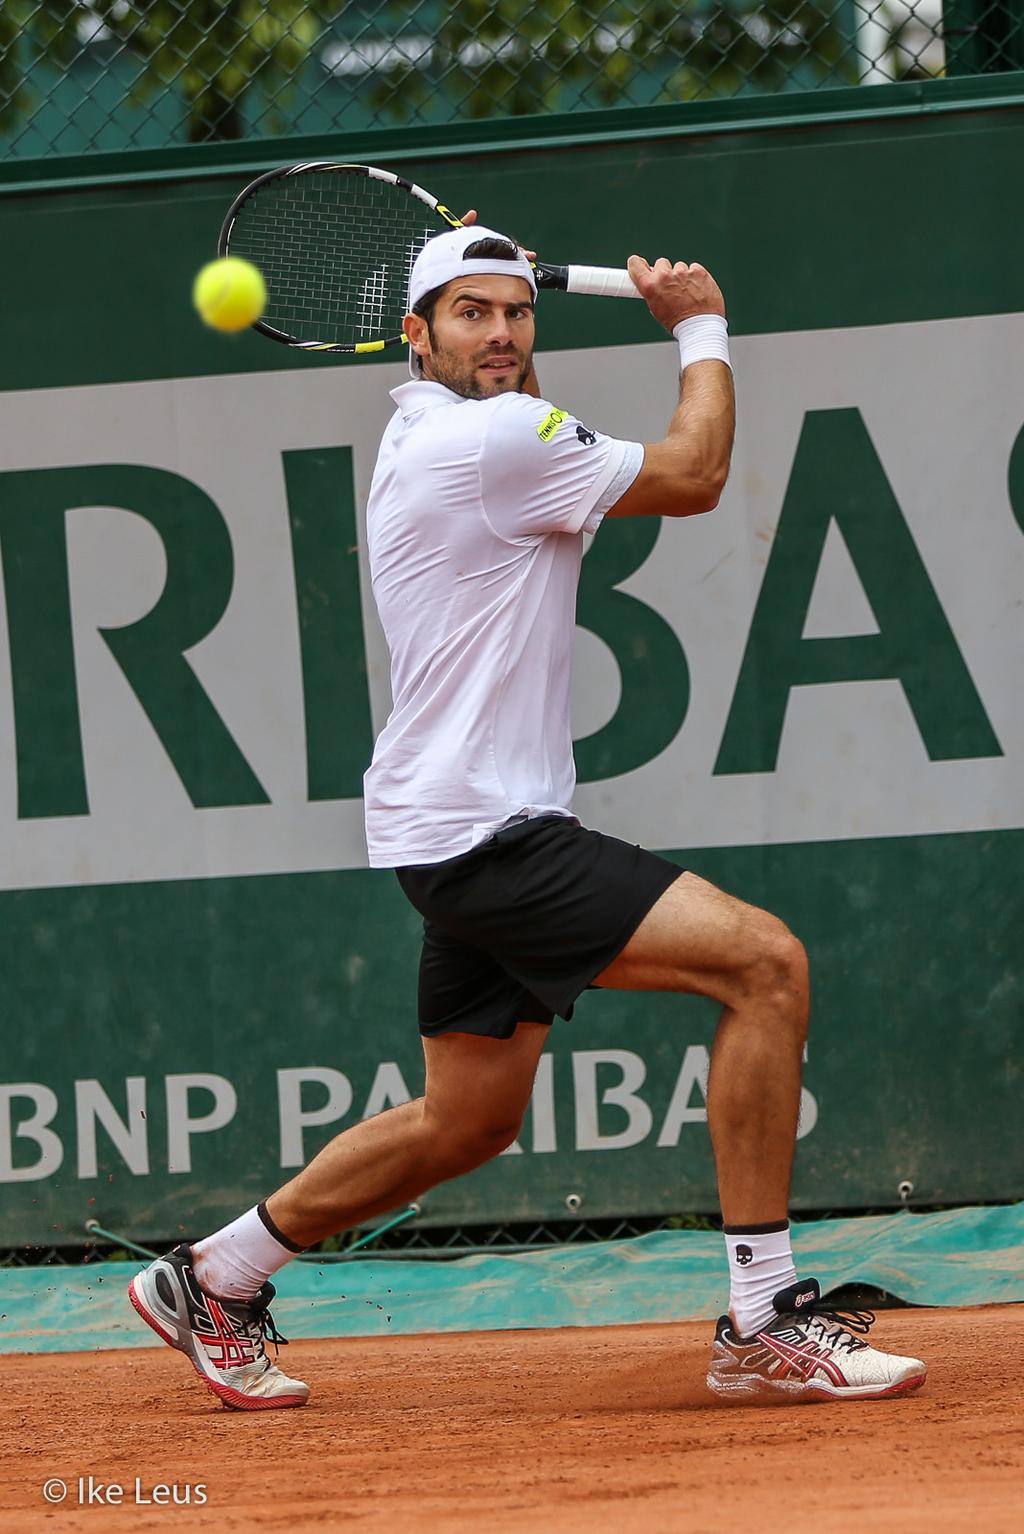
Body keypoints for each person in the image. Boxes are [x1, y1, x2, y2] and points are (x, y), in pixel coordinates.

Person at [129, 220, 926, 1409]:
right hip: (491, 833)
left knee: (469, 1120)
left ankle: (214, 1276)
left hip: (444, 828)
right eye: (472, 314)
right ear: (415, 334)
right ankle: (764, 1316)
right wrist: (700, 325)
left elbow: (529, 418)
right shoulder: (491, 440)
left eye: (516, 312)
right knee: (765, 966)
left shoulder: (441, 430)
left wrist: (498, 319)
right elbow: (696, 474)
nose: (500, 333)